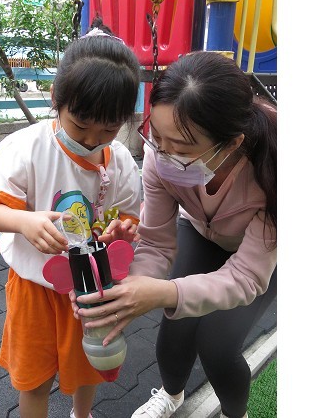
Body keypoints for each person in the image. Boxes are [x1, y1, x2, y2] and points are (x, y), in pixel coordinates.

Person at [73, 51, 277, 418]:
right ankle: (171, 394)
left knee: (217, 346)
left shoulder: (275, 170)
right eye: (156, 137)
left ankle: (236, 413)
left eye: (180, 148)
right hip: (200, 231)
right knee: (175, 327)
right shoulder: (159, 156)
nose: (162, 155)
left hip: (260, 257)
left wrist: (165, 291)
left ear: (231, 144)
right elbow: (156, 241)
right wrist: (128, 291)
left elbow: (247, 276)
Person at [0, 18, 142, 418]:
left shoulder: (120, 161)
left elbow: (126, 217)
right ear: (56, 98)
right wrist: (24, 222)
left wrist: (121, 230)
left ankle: (81, 414)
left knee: (88, 367)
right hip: (34, 287)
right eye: (80, 125)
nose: (91, 140)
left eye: (108, 130)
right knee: (33, 378)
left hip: (90, 287)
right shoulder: (27, 148)